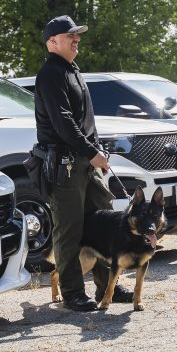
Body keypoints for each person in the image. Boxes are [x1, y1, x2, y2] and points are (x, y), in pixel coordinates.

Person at [33, 15, 133, 311]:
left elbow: (85, 121)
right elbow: (64, 123)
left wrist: (97, 150)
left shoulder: (72, 70)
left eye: (77, 35)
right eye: (70, 36)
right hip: (65, 166)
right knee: (70, 231)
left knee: (102, 225)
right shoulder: (50, 73)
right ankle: (73, 292)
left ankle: (108, 285)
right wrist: (92, 152)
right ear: (52, 42)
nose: (77, 39)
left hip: (86, 164)